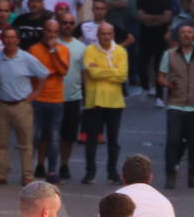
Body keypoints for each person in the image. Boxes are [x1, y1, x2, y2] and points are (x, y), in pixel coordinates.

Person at [0, 28, 51, 186]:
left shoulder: (26, 58)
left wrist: (35, 93)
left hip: (22, 106)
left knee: (26, 143)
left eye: (13, 38)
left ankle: (27, 175)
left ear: (18, 40)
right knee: (0, 142)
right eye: (7, 37)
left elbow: (43, 74)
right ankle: (1, 173)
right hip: (1, 105)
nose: (10, 41)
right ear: (2, 40)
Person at [157, 23, 194, 189]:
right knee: (173, 140)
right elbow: (160, 77)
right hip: (176, 104)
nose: (186, 35)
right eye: (183, 32)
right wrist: (168, 85)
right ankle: (170, 173)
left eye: (190, 32)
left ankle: (193, 175)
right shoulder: (169, 54)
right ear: (178, 35)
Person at [82, 21, 129, 185]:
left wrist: (100, 70)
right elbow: (92, 73)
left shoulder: (121, 51)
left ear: (113, 35)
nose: (106, 37)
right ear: (97, 35)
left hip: (115, 102)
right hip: (94, 101)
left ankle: (112, 172)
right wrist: (112, 71)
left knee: (113, 140)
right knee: (91, 140)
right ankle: (90, 172)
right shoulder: (89, 50)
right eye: (103, 33)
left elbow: (122, 75)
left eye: (109, 34)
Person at [29, 19, 72, 183]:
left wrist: (54, 53)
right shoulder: (34, 49)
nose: (51, 35)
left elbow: (63, 70)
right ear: (43, 31)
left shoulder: (63, 50)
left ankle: (52, 171)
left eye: (55, 32)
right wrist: (50, 72)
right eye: (48, 31)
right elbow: (36, 72)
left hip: (56, 100)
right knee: (35, 136)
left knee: (54, 137)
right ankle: (30, 170)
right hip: (38, 98)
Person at [55, 12, 87, 182]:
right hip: (53, 97)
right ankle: (48, 165)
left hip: (73, 98)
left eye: (71, 23)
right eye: (64, 22)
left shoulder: (81, 47)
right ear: (59, 23)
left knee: (68, 136)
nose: (67, 25)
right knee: (50, 135)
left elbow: (84, 74)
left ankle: (64, 164)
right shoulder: (52, 44)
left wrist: (85, 96)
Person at [136, 0, 176, 104]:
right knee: (141, 65)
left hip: (160, 38)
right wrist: (157, 19)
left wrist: (149, 19)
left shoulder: (166, 0)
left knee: (159, 67)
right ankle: (145, 87)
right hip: (145, 38)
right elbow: (141, 17)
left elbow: (167, 19)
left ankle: (159, 96)